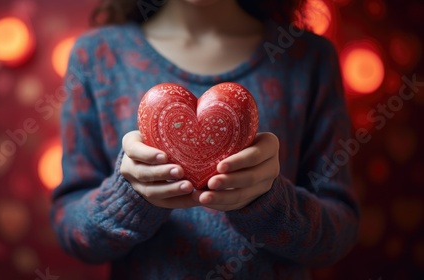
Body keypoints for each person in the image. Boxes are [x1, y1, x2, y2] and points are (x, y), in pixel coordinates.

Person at [51, 0, 360, 278]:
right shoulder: (96, 56)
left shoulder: (310, 58)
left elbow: (339, 235)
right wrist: (127, 198)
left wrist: (270, 203)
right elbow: (71, 231)